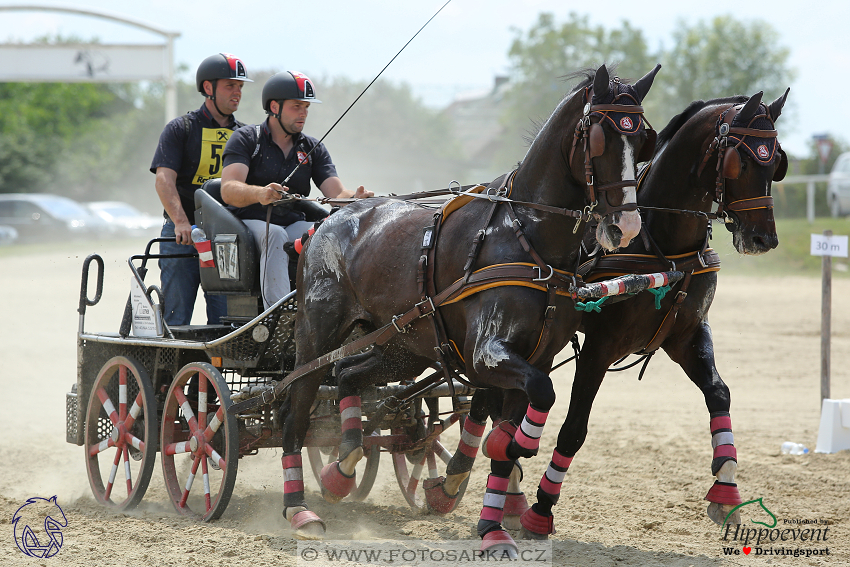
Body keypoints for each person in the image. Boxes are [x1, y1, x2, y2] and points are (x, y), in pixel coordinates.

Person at [221, 71, 372, 309]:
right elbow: (229, 189)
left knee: (332, 232)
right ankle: (279, 313)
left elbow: (336, 194)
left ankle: (334, 309)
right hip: (248, 224)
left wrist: (356, 199)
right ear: (274, 107)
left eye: (306, 107)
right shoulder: (247, 138)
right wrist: (261, 193)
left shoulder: (312, 148)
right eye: (296, 106)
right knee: (275, 235)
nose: (303, 113)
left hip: (292, 224)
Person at [150, 53, 252, 326]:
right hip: (182, 234)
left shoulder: (246, 136)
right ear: (208, 88)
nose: (237, 93)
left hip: (226, 237)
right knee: (176, 318)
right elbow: (163, 179)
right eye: (230, 86)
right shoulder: (181, 128)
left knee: (226, 323)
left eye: (240, 87)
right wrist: (181, 222)